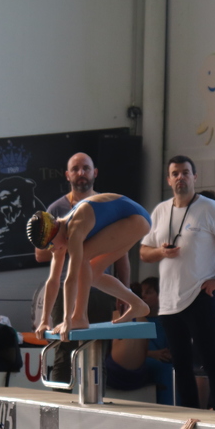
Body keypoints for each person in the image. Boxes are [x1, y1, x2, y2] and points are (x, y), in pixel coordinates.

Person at [139, 156, 215, 410]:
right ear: (168, 179)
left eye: (185, 173)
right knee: (181, 364)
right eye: (175, 173)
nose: (180, 177)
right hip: (169, 300)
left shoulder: (210, 209)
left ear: (194, 177)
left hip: (199, 295)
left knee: (210, 360)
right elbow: (143, 251)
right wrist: (160, 252)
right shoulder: (161, 210)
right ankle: (190, 414)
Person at [32, 153, 130, 382]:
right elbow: (39, 254)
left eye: (86, 168)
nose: (81, 173)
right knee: (63, 351)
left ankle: (97, 401)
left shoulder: (106, 205)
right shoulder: (56, 209)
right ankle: (59, 402)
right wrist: (68, 242)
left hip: (100, 290)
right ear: (67, 175)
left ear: (95, 172)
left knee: (98, 353)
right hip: (65, 290)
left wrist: (124, 292)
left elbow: (122, 253)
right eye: (75, 169)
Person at [29, 194, 150, 342]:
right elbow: (53, 281)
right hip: (133, 221)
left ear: (54, 232)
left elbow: (71, 278)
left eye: (50, 245)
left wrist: (67, 319)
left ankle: (79, 317)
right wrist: (44, 320)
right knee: (93, 274)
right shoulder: (58, 236)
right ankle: (138, 305)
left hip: (136, 219)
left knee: (82, 258)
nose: (52, 250)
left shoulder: (74, 228)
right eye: (47, 247)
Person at [106, 277, 174, 405]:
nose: (144, 296)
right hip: (140, 362)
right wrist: (153, 354)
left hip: (156, 362)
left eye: (148, 292)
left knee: (170, 368)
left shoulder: (167, 321)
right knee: (164, 369)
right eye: (142, 293)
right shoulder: (130, 318)